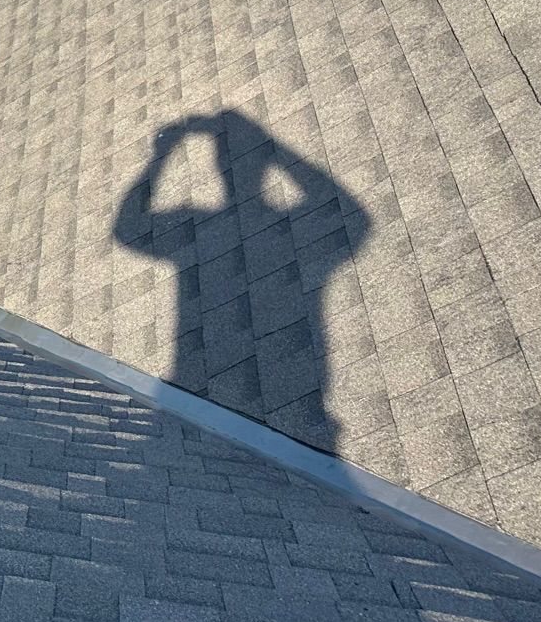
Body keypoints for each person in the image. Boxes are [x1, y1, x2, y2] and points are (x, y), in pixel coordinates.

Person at [112, 110, 362, 448]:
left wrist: (163, 153)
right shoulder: (292, 227)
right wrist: (273, 149)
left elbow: (128, 229)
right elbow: (345, 209)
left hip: (198, 394)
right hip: (258, 399)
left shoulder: (196, 232)